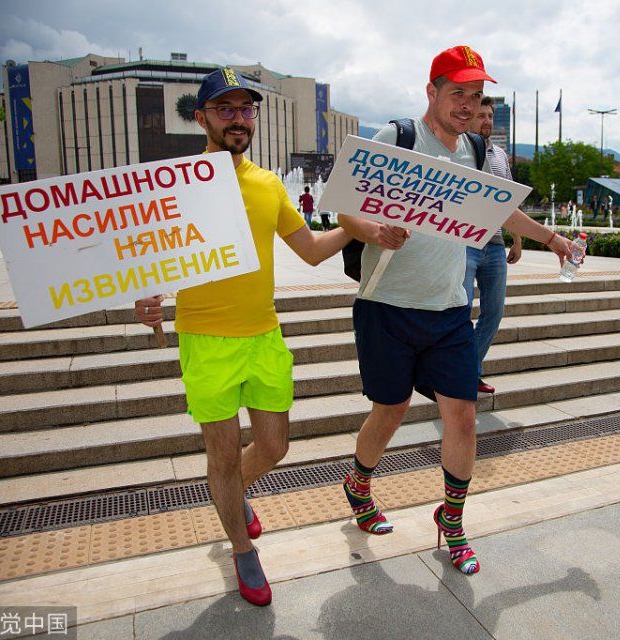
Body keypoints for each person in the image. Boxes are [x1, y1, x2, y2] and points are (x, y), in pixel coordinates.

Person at [337, 45, 574, 576]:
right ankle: (358, 482)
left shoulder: (474, 148)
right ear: (432, 92)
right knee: (390, 409)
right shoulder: (396, 138)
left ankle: (453, 520)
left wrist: (551, 237)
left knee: (463, 419)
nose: (467, 104)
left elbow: (500, 208)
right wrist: (375, 230)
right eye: (458, 93)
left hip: (448, 311)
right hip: (386, 306)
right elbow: (345, 207)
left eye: (476, 95)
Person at [134, 68, 349, 607]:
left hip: (263, 334)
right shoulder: (176, 184)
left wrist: (366, 224)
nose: (237, 118)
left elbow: (313, 250)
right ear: (201, 117)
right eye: (224, 109)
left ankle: (232, 496)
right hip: (205, 337)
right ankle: (241, 547)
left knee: (275, 446)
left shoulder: (267, 184)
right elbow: (150, 258)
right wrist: (147, 296)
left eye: (245, 109)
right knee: (224, 455)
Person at [464, 96, 522, 394]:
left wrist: (518, 239)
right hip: (465, 243)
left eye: (490, 116)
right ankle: (456, 374)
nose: (486, 121)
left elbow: (510, 200)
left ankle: (469, 371)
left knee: (494, 311)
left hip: (496, 244)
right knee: (459, 311)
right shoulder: (460, 152)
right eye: (481, 116)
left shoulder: (499, 155)